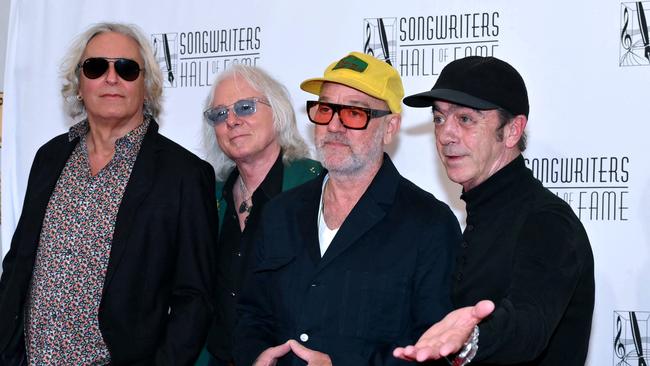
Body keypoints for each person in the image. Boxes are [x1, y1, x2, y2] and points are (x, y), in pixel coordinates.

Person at [0, 22, 218, 365]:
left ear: (146, 87)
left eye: (127, 69)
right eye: (96, 67)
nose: (111, 78)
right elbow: (18, 266)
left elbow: (195, 297)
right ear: (79, 84)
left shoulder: (184, 175)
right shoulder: (49, 157)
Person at [233, 51, 462, 366]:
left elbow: (432, 350)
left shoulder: (429, 224)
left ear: (391, 127)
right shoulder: (280, 212)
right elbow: (250, 313)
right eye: (325, 109)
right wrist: (257, 356)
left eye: (355, 112)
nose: (334, 125)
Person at [394, 56, 595, 365]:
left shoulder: (546, 222)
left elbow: (529, 323)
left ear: (513, 131)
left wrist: (470, 339)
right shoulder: (478, 217)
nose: (446, 134)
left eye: (465, 119)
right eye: (439, 118)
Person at [197, 65, 321, 366]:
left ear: (277, 113)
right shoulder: (209, 196)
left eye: (245, 107)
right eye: (219, 114)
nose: (232, 121)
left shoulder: (316, 187)